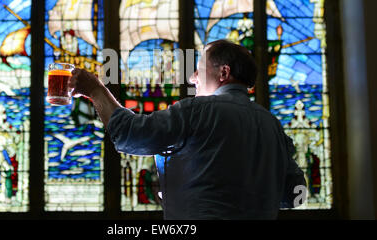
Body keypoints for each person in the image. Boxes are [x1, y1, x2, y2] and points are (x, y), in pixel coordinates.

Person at [68, 39, 306, 219]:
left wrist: (95, 90)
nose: (192, 78)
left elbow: (131, 136)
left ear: (223, 72)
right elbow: (296, 194)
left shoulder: (197, 111)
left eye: (199, 68)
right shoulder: (272, 125)